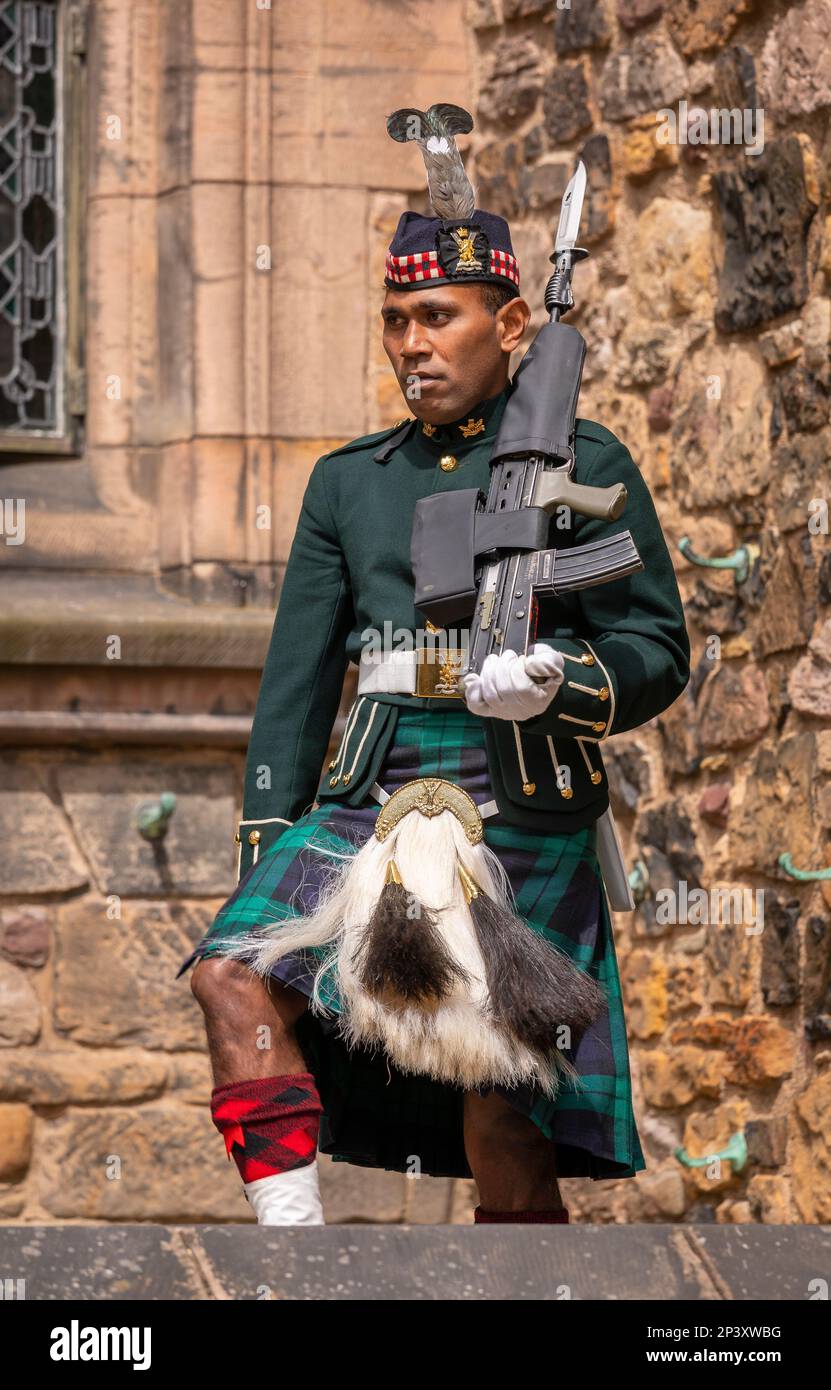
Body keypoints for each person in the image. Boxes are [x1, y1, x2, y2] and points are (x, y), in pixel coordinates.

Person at [176, 105, 690, 1226]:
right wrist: (269, 831)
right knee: (231, 970)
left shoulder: (583, 457)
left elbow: (656, 645)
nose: (412, 344)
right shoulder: (346, 481)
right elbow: (296, 687)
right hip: (376, 782)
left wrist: (566, 679)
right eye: (395, 319)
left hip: (524, 789)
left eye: (438, 318)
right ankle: (296, 1259)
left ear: (511, 322)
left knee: (499, 1101)